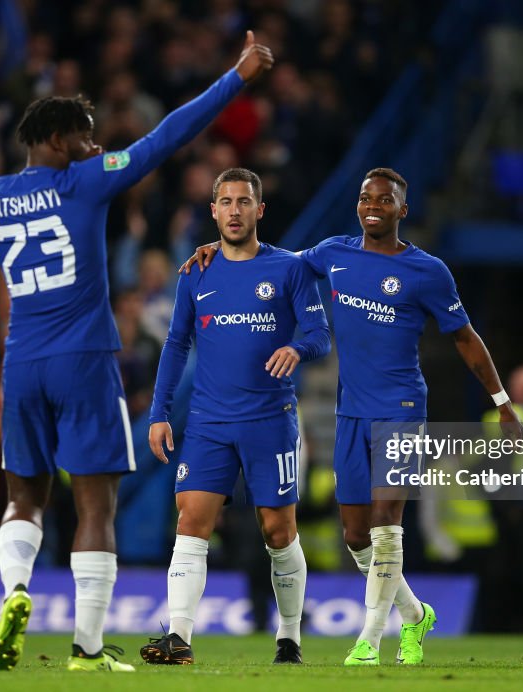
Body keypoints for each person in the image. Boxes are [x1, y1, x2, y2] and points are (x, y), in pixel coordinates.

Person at [0, 32, 274, 674]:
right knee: (95, 505)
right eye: (87, 137)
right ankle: (86, 650)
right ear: (58, 143)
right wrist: (236, 78)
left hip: (20, 360)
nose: (97, 147)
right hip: (84, 359)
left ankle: (16, 593)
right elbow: (165, 138)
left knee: (23, 497)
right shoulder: (82, 180)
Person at [184, 167, 522, 665]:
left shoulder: (427, 271)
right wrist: (219, 254)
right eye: (366, 197)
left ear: (402, 211)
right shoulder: (334, 254)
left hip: (402, 408)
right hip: (351, 413)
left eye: (385, 200)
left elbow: (465, 339)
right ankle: (415, 614)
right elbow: (275, 266)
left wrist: (502, 402)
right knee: (357, 536)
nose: (373, 205)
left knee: (388, 523)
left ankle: (369, 639)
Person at [140, 168, 329, 665]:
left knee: (277, 531)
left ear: (259, 210)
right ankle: (178, 637)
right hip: (208, 421)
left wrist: (296, 347)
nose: (234, 210)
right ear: (214, 211)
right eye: (225, 201)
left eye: (244, 201)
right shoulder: (196, 271)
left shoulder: (289, 269)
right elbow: (176, 343)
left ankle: (289, 636)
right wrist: (160, 413)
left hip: (270, 419)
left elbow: (319, 334)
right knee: (191, 520)